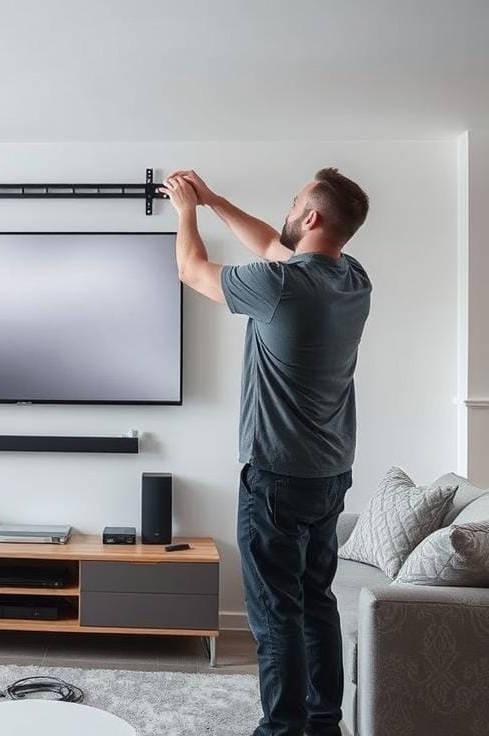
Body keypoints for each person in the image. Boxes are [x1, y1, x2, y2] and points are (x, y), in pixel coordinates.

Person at [159, 168, 371, 736]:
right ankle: (324, 723)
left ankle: (281, 730)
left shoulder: (282, 287)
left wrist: (185, 212)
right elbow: (274, 247)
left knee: (277, 615)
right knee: (314, 600)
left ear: (312, 217)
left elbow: (190, 271)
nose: (289, 205)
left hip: (277, 476)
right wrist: (217, 201)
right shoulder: (352, 279)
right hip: (328, 473)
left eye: (296, 200)